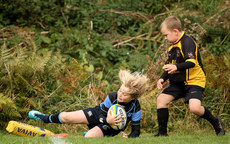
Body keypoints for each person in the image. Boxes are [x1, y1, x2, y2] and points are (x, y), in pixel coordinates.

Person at [155, 16, 225, 137]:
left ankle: (215, 122)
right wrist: (162, 78)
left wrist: (176, 67)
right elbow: (169, 66)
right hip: (179, 82)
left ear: (175, 31)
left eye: (166, 35)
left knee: (195, 108)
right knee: (161, 100)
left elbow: (192, 62)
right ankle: (162, 135)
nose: (165, 38)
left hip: (195, 80)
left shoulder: (187, 42)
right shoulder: (173, 46)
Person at [28, 70, 149, 138]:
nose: (120, 94)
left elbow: (136, 131)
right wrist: (108, 119)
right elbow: (102, 115)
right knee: (66, 116)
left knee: (89, 138)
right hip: (99, 114)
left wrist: (129, 137)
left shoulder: (135, 107)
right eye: (120, 90)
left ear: (133, 97)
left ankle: (94, 131)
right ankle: (44, 118)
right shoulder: (112, 96)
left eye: (124, 94)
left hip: (110, 127)